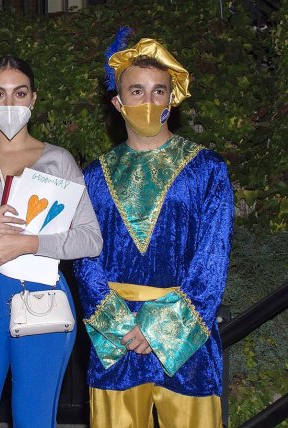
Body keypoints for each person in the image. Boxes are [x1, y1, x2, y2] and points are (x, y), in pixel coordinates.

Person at [74, 30, 234, 428]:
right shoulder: (92, 176)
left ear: (171, 98)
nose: (148, 102)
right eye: (137, 91)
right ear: (118, 101)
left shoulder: (208, 170)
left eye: (158, 91)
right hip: (116, 339)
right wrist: (121, 325)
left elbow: (212, 261)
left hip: (185, 341)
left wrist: (160, 328)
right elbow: (82, 255)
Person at [0, 55, 103, 428]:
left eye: (19, 93)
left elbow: (90, 239)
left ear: (33, 99)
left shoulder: (58, 160)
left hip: (40, 292)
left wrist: (30, 244)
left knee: (34, 417)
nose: (9, 104)